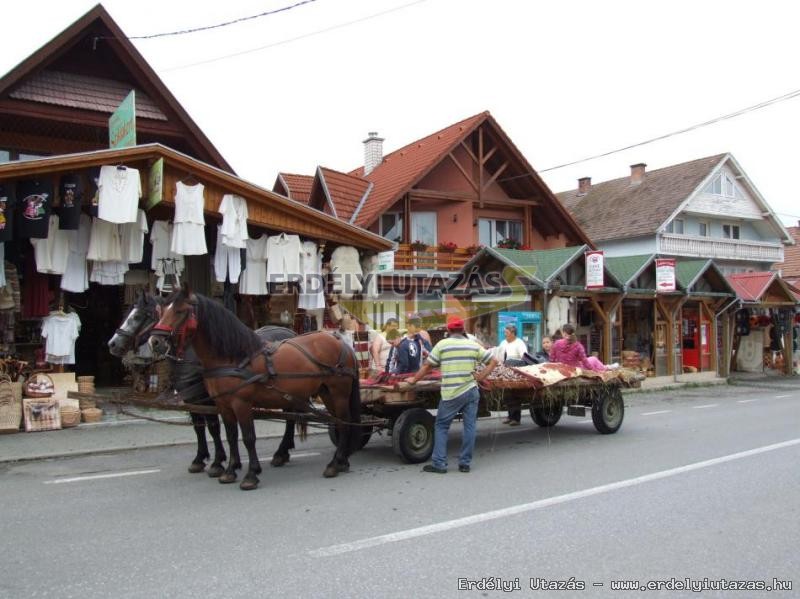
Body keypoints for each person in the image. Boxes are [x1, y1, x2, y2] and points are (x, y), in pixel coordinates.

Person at [404, 315, 498, 474]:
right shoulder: (472, 345)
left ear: (448, 329)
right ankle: (465, 463)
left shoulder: (442, 345)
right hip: (471, 390)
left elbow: (427, 366)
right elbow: (494, 360)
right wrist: (481, 377)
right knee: (469, 427)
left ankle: (439, 464)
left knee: (441, 426)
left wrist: (413, 380)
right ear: (463, 330)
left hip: (451, 393)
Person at [494, 324, 528, 425]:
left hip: (515, 371)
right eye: (505, 332)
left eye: (507, 333)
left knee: (515, 394)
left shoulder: (519, 343)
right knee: (507, 393)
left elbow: (524, 357)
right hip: (504, 370)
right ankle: (510, 416)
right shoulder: (503, 343)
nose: (505, 334)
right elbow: (499, 355)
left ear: (513, 333)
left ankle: (516, 419)